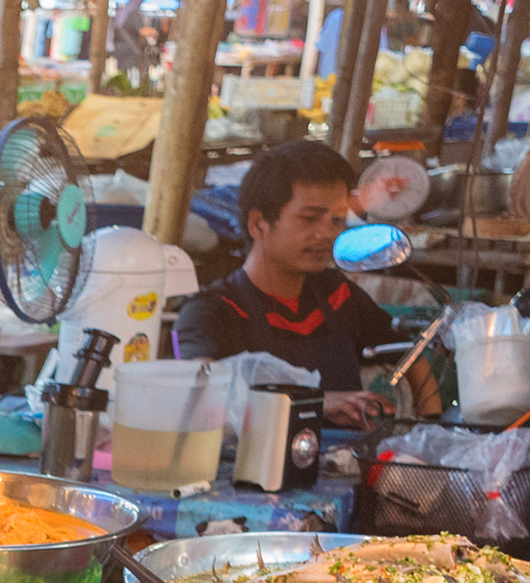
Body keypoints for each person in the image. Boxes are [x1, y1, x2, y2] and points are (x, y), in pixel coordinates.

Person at [171, 139, 432, 424]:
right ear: (258, 224)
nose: (326, 234)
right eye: (309, 219)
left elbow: (412, 358)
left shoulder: (338, 293)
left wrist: (432, 430)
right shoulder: (212, 312)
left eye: (336, 220)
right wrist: (320, 403)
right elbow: (200, 396)